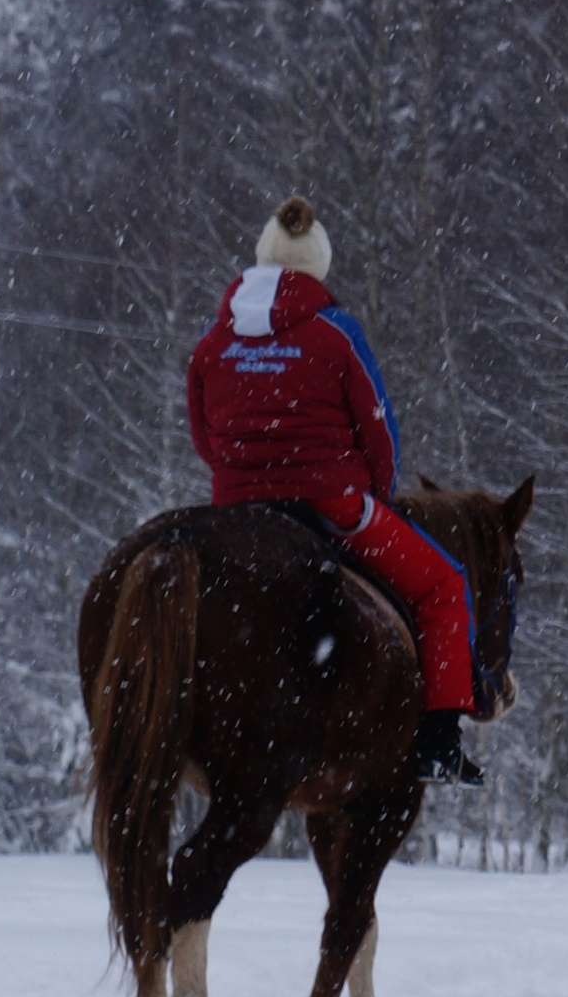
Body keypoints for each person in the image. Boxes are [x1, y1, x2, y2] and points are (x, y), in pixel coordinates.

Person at [186, 196, 482, 784]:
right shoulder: (335, 331)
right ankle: (440, 743)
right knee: (444, 586)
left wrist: (243, 480)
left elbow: (203, 434)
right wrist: (377, 491)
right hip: (330, 506)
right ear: (317, 263)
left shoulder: (214, 340)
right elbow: (379, 429)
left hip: (236, 510)